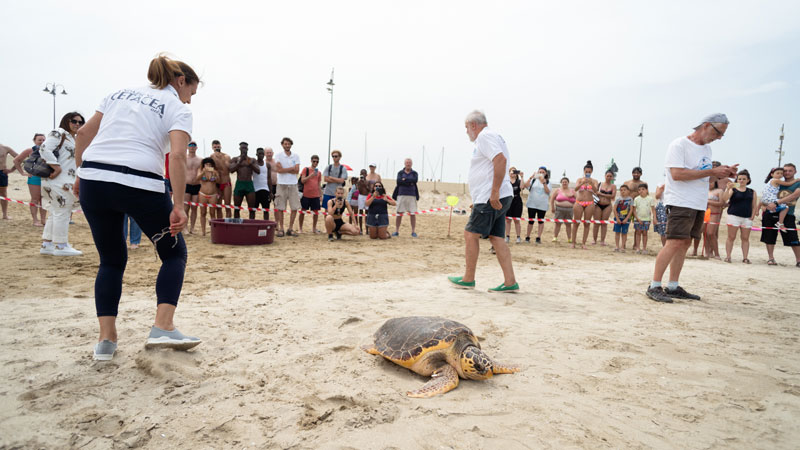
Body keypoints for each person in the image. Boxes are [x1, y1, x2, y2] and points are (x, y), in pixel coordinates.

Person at [74, 54, 202, 360]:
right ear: (180, 81)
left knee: (111, 260)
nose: (190, 100)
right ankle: (163, 326)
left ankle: (106, 342)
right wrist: (179, 205)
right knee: (174, 253)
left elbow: (81, 134)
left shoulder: (117, 93)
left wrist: (81, 172)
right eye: (191, 93)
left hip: (95, 178)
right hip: (139, 182)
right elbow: (179, 157)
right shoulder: (176, 108)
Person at [646, 113, 737, 303]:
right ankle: (654, 285)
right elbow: (677, 174)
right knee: (674, 242)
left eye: (722, 134)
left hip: (697, 202)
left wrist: (721, 174)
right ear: (706, 125)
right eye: (718, 132)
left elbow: (704, 178)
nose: (719, 137)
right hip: (680, 201)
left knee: (685, 243)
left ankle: (672, 286)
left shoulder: (707, 149)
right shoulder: (679, 145)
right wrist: (712, 171)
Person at [448, 110, 517, 293]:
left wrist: (492, 192)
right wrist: (481, 198)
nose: (466, 132)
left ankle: (468, 278)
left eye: (466, 127)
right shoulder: (492, 137)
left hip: (492, 196)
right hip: (494, 195)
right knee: (496, 238)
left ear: (473, 125)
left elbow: (500, 160)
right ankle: (510, 282)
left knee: (470, 234)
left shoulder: (485, 136)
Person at [38, 112, 84, 256]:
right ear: (66, 121)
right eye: (74, 121)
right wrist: (56, 166)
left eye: (81, 122)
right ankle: (61, 245)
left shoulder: (73, 138)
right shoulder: (59, 133)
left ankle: (47, 244)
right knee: (62, 212)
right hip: (59, 180)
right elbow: (44, 149)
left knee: (55, 212)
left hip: (64, 180)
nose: (77, 124)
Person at [761, 162, 800, 266]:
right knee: (769, 236)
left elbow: (795, 195)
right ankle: (771, 258)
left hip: (788, 214)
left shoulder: (798, 182)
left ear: (795, 172)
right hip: (771, 212)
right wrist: (764, 205)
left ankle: (799, 260)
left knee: (793, 238)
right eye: (785, 170)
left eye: (790, 171)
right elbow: (766, 195)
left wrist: (776, 203)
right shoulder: (777, 182)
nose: (787, 173)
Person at [722, 170, 757, 264]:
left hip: (747, 217)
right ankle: (728, 256)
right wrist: (727, 188)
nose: (741, 181)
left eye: (744, 179)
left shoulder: (752, 191)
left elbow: (754, 205)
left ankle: (745, 258)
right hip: (734, 216)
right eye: (739, 179)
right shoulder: (733, 189)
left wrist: (753, 216)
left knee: (745, 238)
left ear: (748, 180)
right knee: (731, 237)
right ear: (737, 180)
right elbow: (725, 199)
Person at [12, 133, 48, 225]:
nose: (42, 141)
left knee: (44, 199)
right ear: (34, 141)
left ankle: (43, 220)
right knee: (35, 199)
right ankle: (35, 220)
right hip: (34, 177)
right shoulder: (30, 150)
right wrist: (22, 173)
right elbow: (16, 160)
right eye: (39, 140)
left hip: (46, 178)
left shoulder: (48, 150)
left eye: (43, 140)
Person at [274, 137, 301, 236]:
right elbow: (279, 170)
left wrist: (285, 169)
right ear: (282, 144)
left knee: (294, 207)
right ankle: (281, 228)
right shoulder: (278, 156)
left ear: (291, 144)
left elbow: (297, 171)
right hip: (281, 184)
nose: (287, 145)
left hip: (293, 184)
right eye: (285, 144)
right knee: (280, 207)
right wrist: (291, 169)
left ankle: (290, 228)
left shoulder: (296, 156)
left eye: (289, 144)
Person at [229, 142, 260, 220]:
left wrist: (250, 164)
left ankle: (251, 224)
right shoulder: (235, 159)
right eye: (242, 148)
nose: (244, 150)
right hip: (239, 183)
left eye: (245, 148)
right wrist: (239, 162)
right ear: (239, 149)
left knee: (251, 208)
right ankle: (237, 224)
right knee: (237, 208)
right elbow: (231, 170)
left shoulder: (252, 160)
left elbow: (258, 171)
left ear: (247, 149)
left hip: (249, 183)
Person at [572, 160, 598, 249]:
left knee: (587, 223)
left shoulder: (594, 181)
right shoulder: (579, 179)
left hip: (590, 202)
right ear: (584, 171)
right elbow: (575, 189)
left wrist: (591, 183)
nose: (588, 173)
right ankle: (573, 242)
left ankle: (583, 243)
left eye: (589, 172)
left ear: (592, 172)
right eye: (586, 171)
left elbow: (596, 191)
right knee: (576, 223)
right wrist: (582, 183)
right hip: (579, 202)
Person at [393, 158, 420, 237]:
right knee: (399, 213)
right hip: (401, 194)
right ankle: (397, 231)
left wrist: (405, 180)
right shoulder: (400, 173)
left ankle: (413, 231)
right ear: (404, 163)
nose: (408, 164)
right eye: (407, 162)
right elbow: (399, 181)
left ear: (411, 164)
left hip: (412, 195)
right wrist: (409, 181)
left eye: (409, 163)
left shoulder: (414, 173)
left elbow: (415, 180)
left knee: (412, 213)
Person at [523, 166, 550, 244]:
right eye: (540, 172)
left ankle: (538, 237)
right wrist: (531, 177)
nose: (541, 173)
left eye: (543, 172)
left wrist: (544, 182)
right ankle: (527, 237)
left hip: (542, 205)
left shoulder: (548, 182)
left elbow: (548, 191)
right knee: (530, 221)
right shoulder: (534, 180)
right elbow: (525, 186)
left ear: (546, 173)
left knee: (540, 221)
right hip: (532, 204)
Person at [298, 154, 322, 233]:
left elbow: (319, 184)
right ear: (311, 161)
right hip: (306, 195)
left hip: (315, 195)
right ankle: (300, 228)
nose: (315, 163)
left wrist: (320, 195)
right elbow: (302, 180)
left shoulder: (319, 173)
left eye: (317, 161)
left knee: (316, 213)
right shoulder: (306, 169)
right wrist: (311, 175)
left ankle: (314, 228)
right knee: (302, 212)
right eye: (314, 161)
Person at [592, 169, 616, 246]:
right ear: (605, 176)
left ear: (612, 177)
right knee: (596, 223)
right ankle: (594, 240)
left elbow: (612, 196)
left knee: (604, 223)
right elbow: (595, 192)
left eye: (610, 176)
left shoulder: (613, 186)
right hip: (598, 204)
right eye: (607, 176)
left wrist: (602, 194)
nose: (609, 177)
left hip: (607, 205)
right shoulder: (600, 184)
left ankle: (602, 240)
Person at [209, 139, 232, 218]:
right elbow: (209, 169)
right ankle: (220, 223)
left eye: (218, 146)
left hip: (226, 184)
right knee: (218, 207)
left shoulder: (226, 156)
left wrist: (219, 158)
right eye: (215, 147)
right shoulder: (211, 157)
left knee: (227, 206)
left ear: (221, 146)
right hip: (217, 184)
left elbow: (227, 169)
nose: (216, 148)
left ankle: (228, 224)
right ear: (212, 148)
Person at [625, 167, 646, 251]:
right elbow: (623, 193)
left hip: (638, 207)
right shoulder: (627, 182)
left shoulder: (643, 184)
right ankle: (623, 243)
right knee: (625, 223)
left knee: (637, 226)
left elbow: (645, 194)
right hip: (628, 205)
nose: (636, 174)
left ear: (641, 174)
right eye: (634, 173)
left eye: (638, 173)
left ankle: (635, 244)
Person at [196, 157, 219, 235]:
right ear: (204, 165)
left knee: (212, 213)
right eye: (206, 164)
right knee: (203, 212)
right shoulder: (200, 170)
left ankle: (213, 230)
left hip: (213, 194)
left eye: (210, 164)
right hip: (203, 193)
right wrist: (203, 172)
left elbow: (219, 180)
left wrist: (215, 174)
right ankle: (203, 231)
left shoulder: (215, 171)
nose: (208, 166)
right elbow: (197, 178)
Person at [704, 177, 725, 259]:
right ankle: (707, 252)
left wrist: (709, 202)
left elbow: (721, 203)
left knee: (711, 233)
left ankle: (716, 253)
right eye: (708, 182)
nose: (710, 184)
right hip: (705, 213)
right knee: (705, 234)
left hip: (714, 214)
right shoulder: (704, 191)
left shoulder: (719, 191)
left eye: (711, 182)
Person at [183, 141, 202, 233]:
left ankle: (192, 228)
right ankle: (185, 227)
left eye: (194, 145)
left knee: (194, 208)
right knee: (186, 207)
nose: (192, 147)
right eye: (190, 145)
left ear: (196, 147)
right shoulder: (184, 158)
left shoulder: (200, 160)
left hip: (197, 185)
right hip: (186, 185)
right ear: (187, 147)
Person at [632, 183, 656, 254]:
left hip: (647, 219)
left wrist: (654, 218)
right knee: (638, 233)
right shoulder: (636, 199)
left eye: (643, 189)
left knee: (645, 233)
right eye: (639, 190)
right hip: (638, 219)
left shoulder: (650, 199)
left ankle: (644, 248)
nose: (641, 191)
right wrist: (637, 219)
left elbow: (653, 209)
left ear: (646, 190)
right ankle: (638, 248)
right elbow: (634, 210)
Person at [550, 177, 575, 242]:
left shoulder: (572, 191)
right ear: (561, 183)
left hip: (570, 209)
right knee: (558, 224)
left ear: (568, 183)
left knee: (568, 224)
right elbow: (552, 199)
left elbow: (577, 200)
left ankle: (569, 238)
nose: (564, 183)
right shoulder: (557, 190)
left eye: (566, 182)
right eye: (563, 182)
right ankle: (555, 237)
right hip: (559, 209)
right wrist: (552, 207)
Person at [0, 143, 20, 220]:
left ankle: (5, 214)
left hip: (1, 172)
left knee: (3, 194)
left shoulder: (5, 148)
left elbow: (19, 158)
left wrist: (12, 170)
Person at [252, 148, 272, 220]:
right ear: (256, 154)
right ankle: (252, 224)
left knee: (266, 210)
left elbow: (269, 178)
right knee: (253, 210)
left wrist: (271, 192)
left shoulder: (267, 165)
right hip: (255, 190)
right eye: (259, 153)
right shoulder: (253, 164)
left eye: (262, 154)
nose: (261, 155)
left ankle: (266, 225)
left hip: (265, 189)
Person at [504, 167, 524, 243]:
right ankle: (507, 236)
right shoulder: (506, 181)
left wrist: (522, 177)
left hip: (517, 201)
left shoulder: (518, 181)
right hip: (508, 201)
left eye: (514, 172)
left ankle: (518, 237)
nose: (512, 174)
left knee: (517, 220)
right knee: (508, 220)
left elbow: (522, 187)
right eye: (511, 172)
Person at [613, 184, 634, 252]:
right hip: (618, 218)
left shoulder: (630, 199)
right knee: (617, 232)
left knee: (624, 233)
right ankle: (617, 246)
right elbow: (614, 209)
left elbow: (631, 210)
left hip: (626, 219)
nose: (623, 191)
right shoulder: (618, 199)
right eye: (621, 190)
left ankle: (622, 247)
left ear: (628, 191)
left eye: (624, 190)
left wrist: (627, 219)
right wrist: (617, 218)